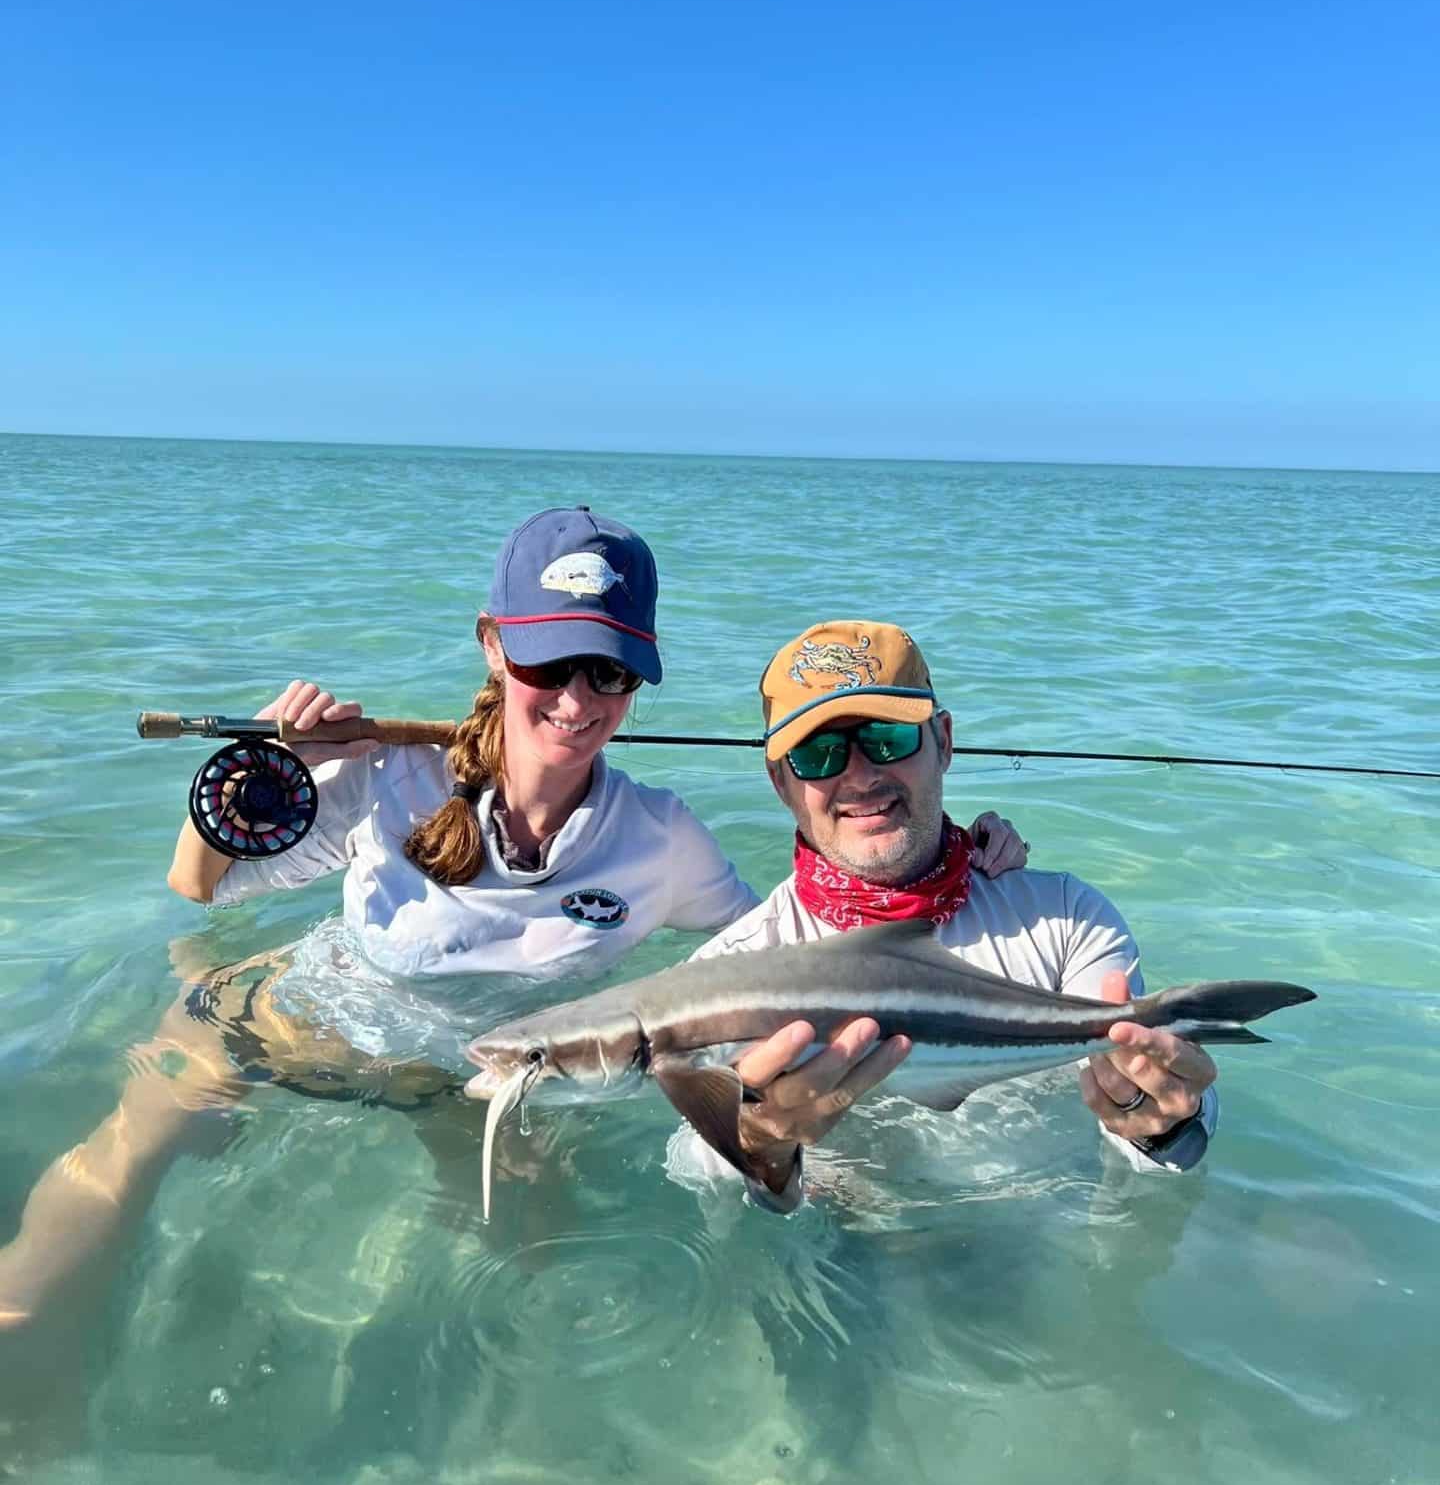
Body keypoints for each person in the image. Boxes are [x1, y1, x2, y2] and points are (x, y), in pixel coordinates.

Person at [1, 521, 1026, 1433]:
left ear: (640, 681)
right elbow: (199, 887)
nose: (578, 701)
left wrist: (954, 863)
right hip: (292, 1021)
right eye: (550, 664)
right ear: (495, 646)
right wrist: (266, 765)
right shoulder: (385, 778)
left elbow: (788, 939)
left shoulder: (660, 838)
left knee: (532, 1270)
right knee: (128, 1156)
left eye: (610, 674)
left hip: (476, 1079)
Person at [690, 618, 1219, 1199]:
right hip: (843, 1260)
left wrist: (1166, 1124)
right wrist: (756, 1142)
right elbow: (692, 1177)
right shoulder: (725, 971)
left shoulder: (1067, 919)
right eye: (818, 755)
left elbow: (1147, 1148)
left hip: (1048, 1234)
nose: (861, 776)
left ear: (943, 741)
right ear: (778, 781)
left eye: (888, 739)